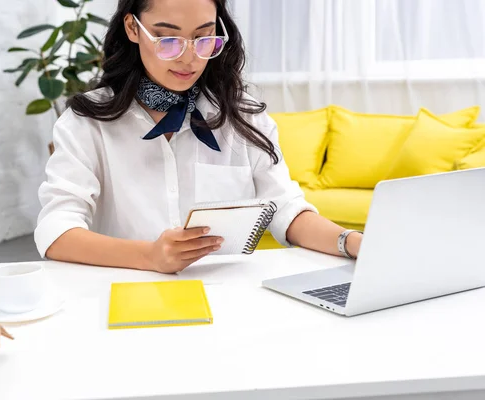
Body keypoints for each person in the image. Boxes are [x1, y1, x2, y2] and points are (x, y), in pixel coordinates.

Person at [34, 0, 363, 273]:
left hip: (230, 301)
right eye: (168, 39)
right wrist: (149, 256)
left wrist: (351, 242)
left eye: (204, 38)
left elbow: (286, 209)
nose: (189, 57)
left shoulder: (243, 116)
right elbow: (55, 230)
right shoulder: (87, 122)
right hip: (125, 296)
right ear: (133, 28)